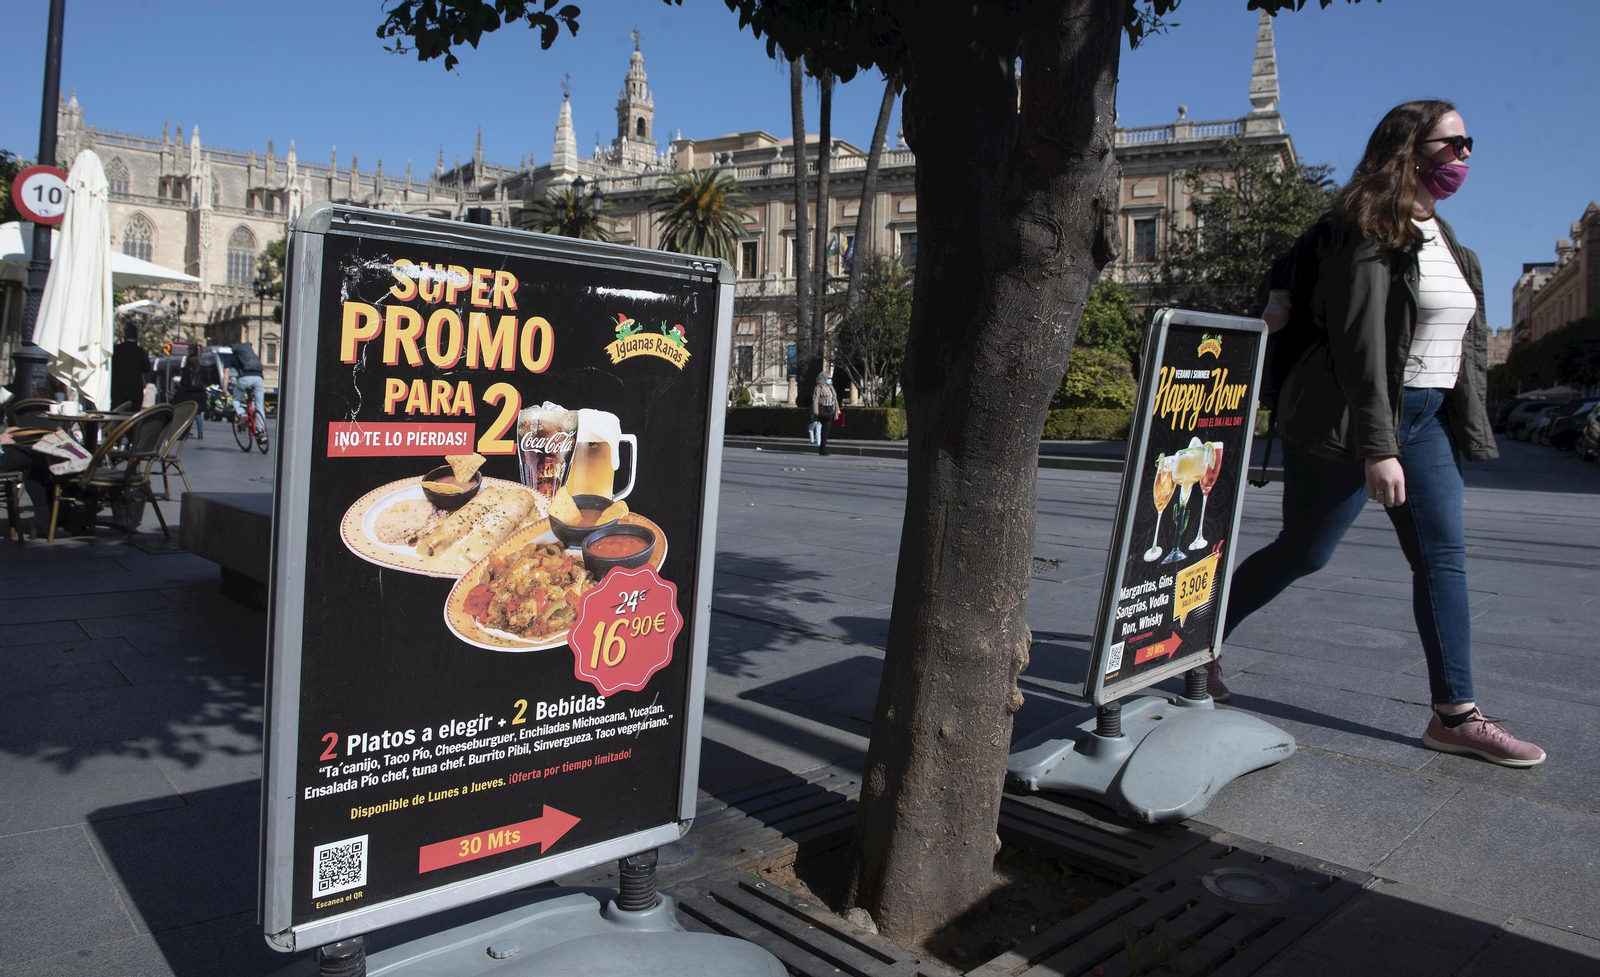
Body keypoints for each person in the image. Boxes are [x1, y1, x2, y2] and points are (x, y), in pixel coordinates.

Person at [1211, 100, 1543, 767]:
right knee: (1304, 551)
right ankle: (1197, 644)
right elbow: (1362, 343)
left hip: (1424, 421)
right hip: (1350, 419)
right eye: (1456, 143)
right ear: (1410, 149)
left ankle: (1456, 713)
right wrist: (1379, 445)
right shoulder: (1368, 229)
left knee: (1442, 559)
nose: (1467, 157)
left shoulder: (1444, 237)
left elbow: (1457, 346)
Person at [230, 341, 266, 445]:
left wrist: (224, 390)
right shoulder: (253, 356)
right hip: (258, 379)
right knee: (259, 406)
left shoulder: (233, 356)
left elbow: (228, 371)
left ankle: (242, 413)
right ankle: (261, 432)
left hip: (244, 379)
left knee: (236, 400)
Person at [111, 323, 153, 410]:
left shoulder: (115, 349)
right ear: (136, 337)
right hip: (135, 392)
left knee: (117, 416)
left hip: (118, 391)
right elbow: (147, 369)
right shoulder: (142, 352)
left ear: (125, 336)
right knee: (132, 417)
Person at [176, 345, 209, 439]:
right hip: (200, 393)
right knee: (198, 413)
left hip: (189, 392)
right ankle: (200, 433)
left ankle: (186, 432)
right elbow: (206, 381)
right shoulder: (203, 369)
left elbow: (183, 382)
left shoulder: (186, 369)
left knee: (188, 413)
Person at [812, 372, 838, 456]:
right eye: (828, 378)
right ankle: (822, 448)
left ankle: (822, 448)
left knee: (826, 430)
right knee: (821, 428)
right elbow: (815, 400)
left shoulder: (831, 387)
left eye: (830, 378)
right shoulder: (818, 387)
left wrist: (837, 410)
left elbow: (835, 399)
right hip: (822, 409)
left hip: (830, 409)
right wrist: (815, 411)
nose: (830, 380)